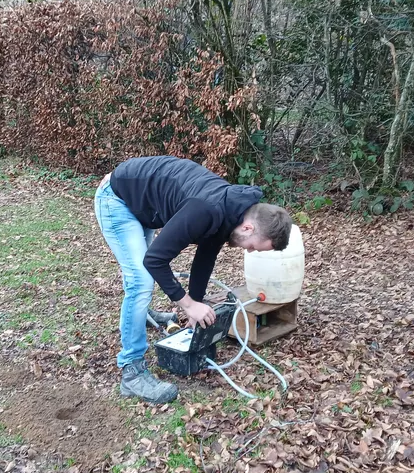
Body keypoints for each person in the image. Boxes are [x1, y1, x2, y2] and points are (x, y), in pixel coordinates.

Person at [94, 155, 292, 404]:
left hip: (141, 201)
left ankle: (141, 314)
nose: (249, 251)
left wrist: (196, 302)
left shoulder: (231, 211)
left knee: (141, 279)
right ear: (249, 229)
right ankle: (132, 370)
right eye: (253, 247)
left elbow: (205, 255)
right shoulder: (206, 208)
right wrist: (187, 304)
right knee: (141, 280)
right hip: (117, 199)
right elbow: (155, 260)